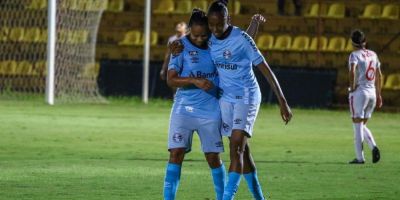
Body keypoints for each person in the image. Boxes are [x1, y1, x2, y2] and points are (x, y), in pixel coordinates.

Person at [163, 9, 264, 200]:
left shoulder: (214, 44)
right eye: (195, 35)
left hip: (211, 110)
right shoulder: (180, 47)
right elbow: (171, 79)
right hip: (183, 109)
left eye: (204, 35)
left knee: (213, 158)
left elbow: (240, 43)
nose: (200, 39)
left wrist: (254, 25)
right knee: (175, 154)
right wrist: (195, 81)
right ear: (189, 30)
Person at [207, 1, 292, 199]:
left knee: (235, 147)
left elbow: (266, 69)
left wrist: (282, 101)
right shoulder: (210, 38)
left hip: (247, 95)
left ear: (228, 20)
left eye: (219, 24)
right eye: (211, 25)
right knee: (241, 151)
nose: (215, 29)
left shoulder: (242, 38)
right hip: (225, 98)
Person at [347, 29, 382, 164]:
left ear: (352, 42)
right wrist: (379, 94)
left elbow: (352, 72)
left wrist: (352, 86)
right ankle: (373, 147)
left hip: (360, 93)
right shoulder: (374, 54)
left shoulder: (354, 55)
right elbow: (379, 75)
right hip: (372, 92)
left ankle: (360, 158)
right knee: (361, 125)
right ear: (365, 41)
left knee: (357, 126)